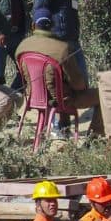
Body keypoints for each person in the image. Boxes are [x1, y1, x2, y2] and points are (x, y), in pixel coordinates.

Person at [15, 8, 104, 136]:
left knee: (60, 87)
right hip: (60, 101)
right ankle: (94, 138)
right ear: (52, 25)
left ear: (33, 25)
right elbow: (78, 84)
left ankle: (64, 130)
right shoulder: (62, 49)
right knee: (101, 95)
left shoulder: (21, 47)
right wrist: (82, 85)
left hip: (33, 97)